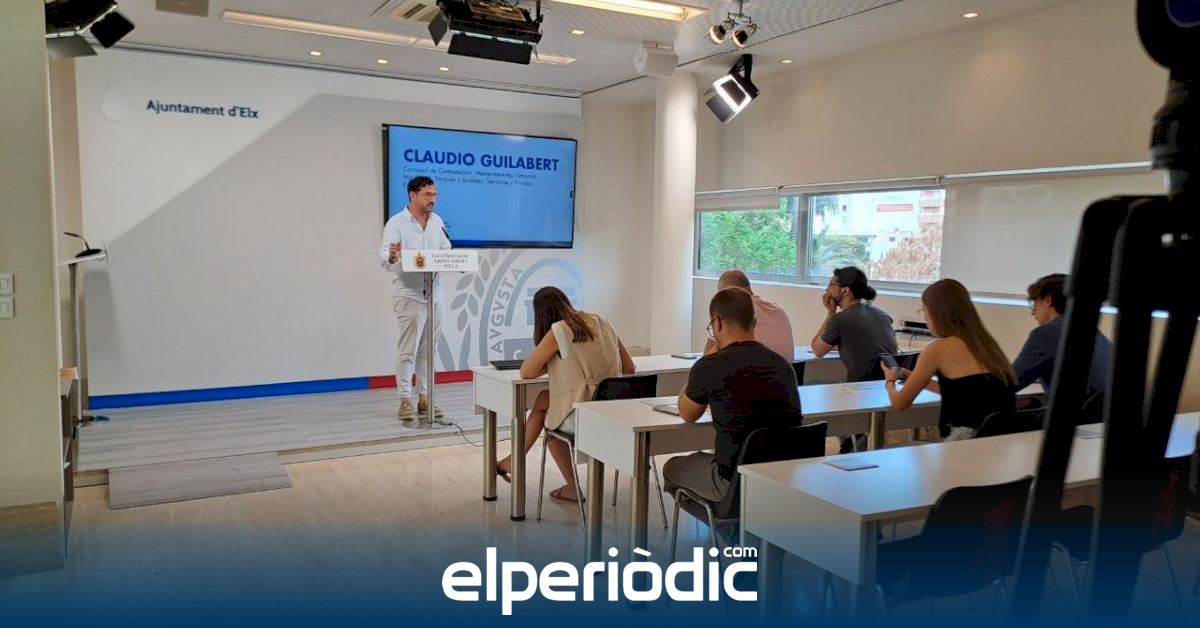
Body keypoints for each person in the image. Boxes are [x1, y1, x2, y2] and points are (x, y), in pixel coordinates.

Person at [495, 287, 635, 502]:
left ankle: (571, 486)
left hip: (585, 413)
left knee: (550, 422)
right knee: (543, 399)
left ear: (541, 316)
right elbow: (629, 368)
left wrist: (549, 362)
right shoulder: (603, 322)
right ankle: (513, 460)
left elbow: (527, 372)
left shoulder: (559, 329)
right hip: (614, 411)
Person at [666, 288, 803, 503]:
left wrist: (706, 357)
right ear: (754, 323)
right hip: (781, 479)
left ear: (717, 323)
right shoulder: (783, 366)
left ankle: (720, 519)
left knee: (671, 467)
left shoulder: (710, 366)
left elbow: (687, 413)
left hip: (731, 481)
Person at [882, 279, 1016, 441]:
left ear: (935, 314)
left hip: (963, 441)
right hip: (1000, 440)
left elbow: (899, 404)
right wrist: (918, 380)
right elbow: (967, 392)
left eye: (924, 311)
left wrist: (890, 381)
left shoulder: (937, 349)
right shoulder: (987, 344)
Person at [379, 176, 452, 421]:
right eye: (427, 195)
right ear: (413, 195)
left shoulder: (437, 222)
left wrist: (451, 257)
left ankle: (425, 398)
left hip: (435, 294)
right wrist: (392, 256)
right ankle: (405, 400)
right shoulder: (396, 223)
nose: (433, 199)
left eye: (434, 195)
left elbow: (446, 251)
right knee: (408, 350)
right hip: (408, 294)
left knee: (429, 349)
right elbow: (384, 257)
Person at [810, 267, 898, 452]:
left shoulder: (840, 319)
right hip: (886, 386)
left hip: (860, 391)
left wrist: (830, 313)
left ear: (845, 290)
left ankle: (848, 443)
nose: (826, 290)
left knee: (819, 390)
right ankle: (853, 441)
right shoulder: (883, 315)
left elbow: (817, 349)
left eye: (831, 285)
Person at [1013, 273, 1113, 402]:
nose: (1032, 312)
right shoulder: (1094, 333)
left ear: (1048, 300)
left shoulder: (1047, 334)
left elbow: (1010, 382)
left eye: (1034, 304)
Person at [704, 270, 795, 362]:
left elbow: (707, 359)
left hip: (748, 369)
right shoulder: (779, 310)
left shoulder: (733, 310)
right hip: (786, 369)